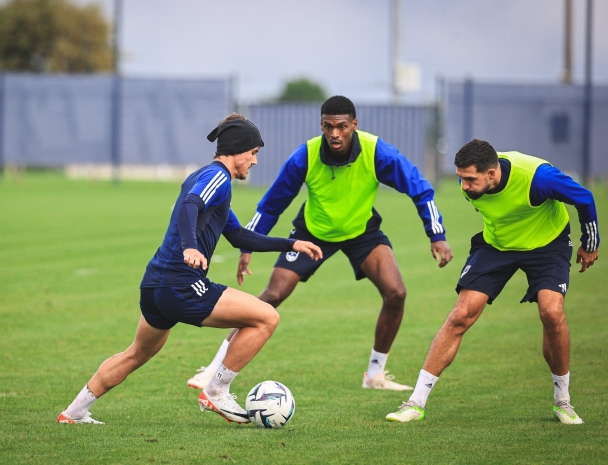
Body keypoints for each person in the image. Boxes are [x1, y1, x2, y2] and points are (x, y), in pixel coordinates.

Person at [57, 114, 322, 425]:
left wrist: (291, 245)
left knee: (136, 353)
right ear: (237, 151)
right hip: (180, 284)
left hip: (155, 284)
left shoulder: (207, 177)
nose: (254, 162)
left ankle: (74, 412)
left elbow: (238, 235)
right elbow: (189, 206)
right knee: (267, 317)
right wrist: (190, 247)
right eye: (253, 153)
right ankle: (217, 391)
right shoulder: (218, 178)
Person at [186, 96, 453, 391]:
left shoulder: (378, 153)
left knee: (396, 293)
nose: (335, 133)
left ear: (354, 124)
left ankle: (375, 375)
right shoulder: (306, 155)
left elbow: (421, 189)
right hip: (312, 233)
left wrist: (436, 234)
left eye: (341, 126)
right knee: (272, 295)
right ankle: (212, 369)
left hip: (361, 231)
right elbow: (271, 204)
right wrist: (246, 246)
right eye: (328, 126)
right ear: (321, 125)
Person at [385, 139, 599, 425]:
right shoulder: (473, 187)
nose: (464, 187)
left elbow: (584, 198)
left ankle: (563, 401)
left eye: (470, 179)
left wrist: (590, 242)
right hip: (497, 245)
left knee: (552, 311)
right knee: (460, 315)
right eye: (460, 179)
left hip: (547, 245)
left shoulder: (539, 178)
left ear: (492, 173)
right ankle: (415, 403)